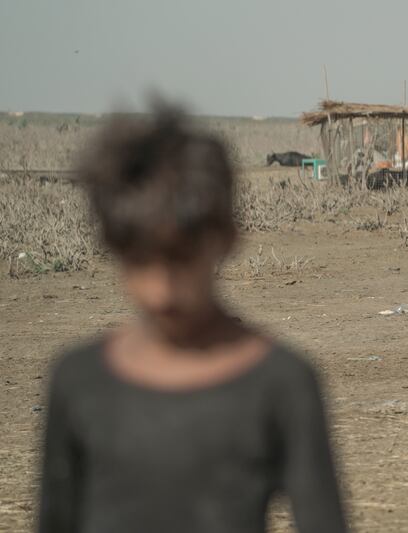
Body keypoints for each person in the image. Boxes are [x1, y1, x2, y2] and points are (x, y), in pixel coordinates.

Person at [37, 104, 347, 533]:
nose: (161, 291)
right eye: (140, 261)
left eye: (180, 259)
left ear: (225, 238)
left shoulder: (281, 383)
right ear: (113, 246)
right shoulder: (79, 381)